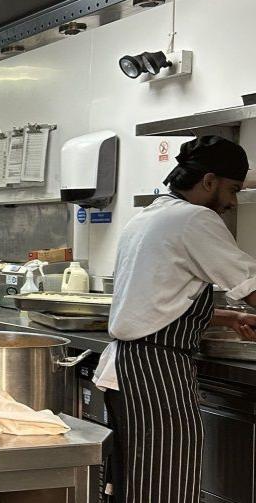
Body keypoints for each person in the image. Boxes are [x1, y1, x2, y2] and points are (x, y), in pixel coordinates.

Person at [95, 136, 256, 503]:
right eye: (231, 190)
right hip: (155, 370)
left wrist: (224, 316)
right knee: (165, 485)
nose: (232, 202)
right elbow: (251, 285)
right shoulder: (195, 219)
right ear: (210, 181)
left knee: (137, 482)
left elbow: (152, 299)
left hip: (131, 365)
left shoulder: (152, 214)